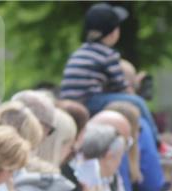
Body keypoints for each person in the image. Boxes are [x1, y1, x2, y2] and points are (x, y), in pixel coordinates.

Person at [58, 2, 159, 141]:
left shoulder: (80, 51)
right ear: (113, 32)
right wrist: (135, 88)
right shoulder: (108, 54)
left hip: (69, 99)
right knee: (137, 102)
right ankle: (156, 140)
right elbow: (121, 88)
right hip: (89, 100)